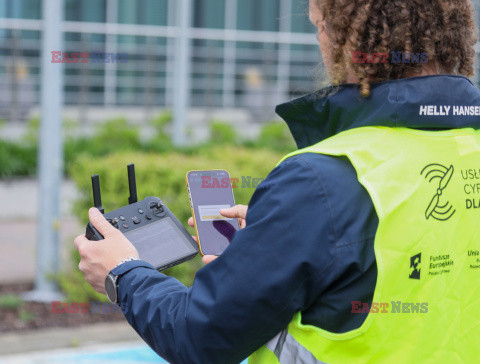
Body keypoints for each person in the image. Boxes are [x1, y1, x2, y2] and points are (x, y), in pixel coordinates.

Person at [75, 0, 480, 362]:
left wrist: (123, 272)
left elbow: (200, 337)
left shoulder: (321, 179)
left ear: (344, 37)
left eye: (319, 24)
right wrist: (292, 235)